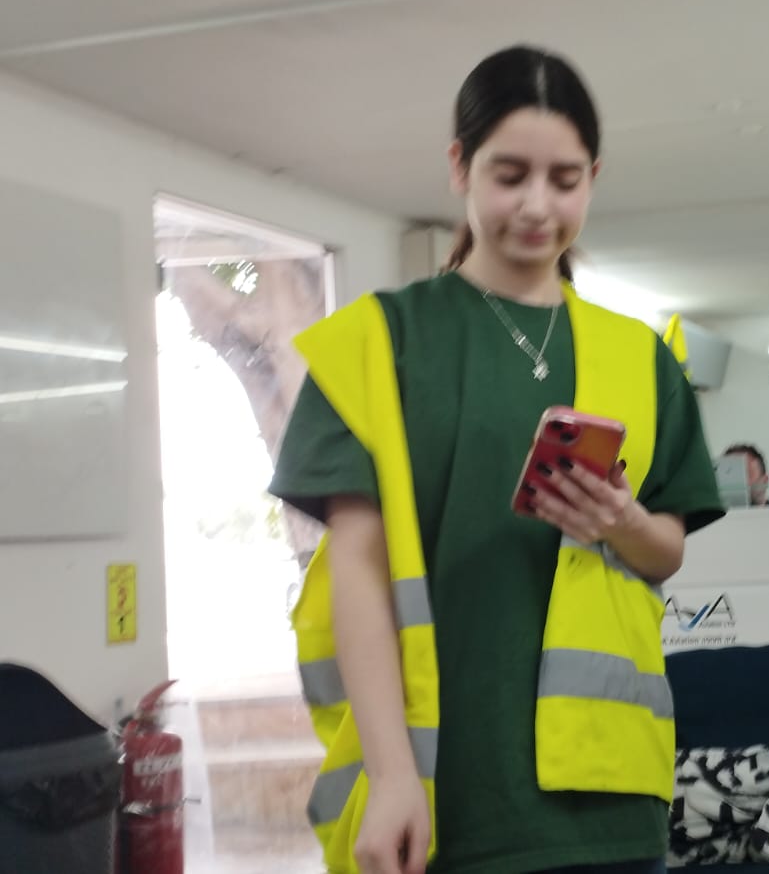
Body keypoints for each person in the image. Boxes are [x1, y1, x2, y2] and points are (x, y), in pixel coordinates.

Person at [269, 45, 725, 874]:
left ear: (593, 178)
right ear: (460, 167)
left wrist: (620, 520)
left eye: (565, 179)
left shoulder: (642, 357)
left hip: (609, 797)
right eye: (510, 175)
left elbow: (665, 551)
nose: (537, 205)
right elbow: (359, 574)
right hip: (441, 791)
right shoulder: (380, 342)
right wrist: (391, 775)